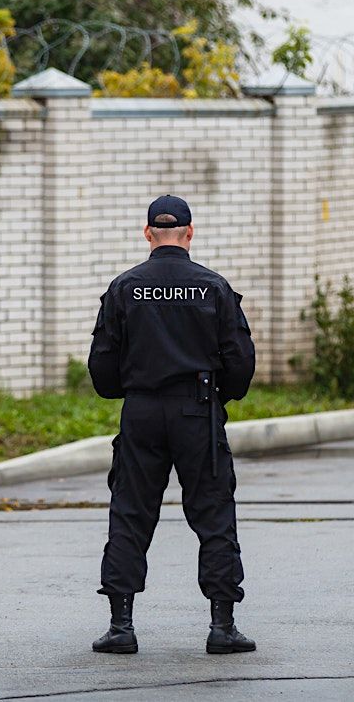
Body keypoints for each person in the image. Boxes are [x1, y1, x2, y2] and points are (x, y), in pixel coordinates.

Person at [86, 194, 257, 655]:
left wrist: (135, 389)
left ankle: (121, 626)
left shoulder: (124, 288)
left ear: (147, 234)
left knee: (131, 513)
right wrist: (222, 396)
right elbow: (240, 362)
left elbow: (102, 367)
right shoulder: (213, 287)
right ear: (189, 232)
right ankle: (222, 626)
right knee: (213, 514)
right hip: (196, 411)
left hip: (141, 412)